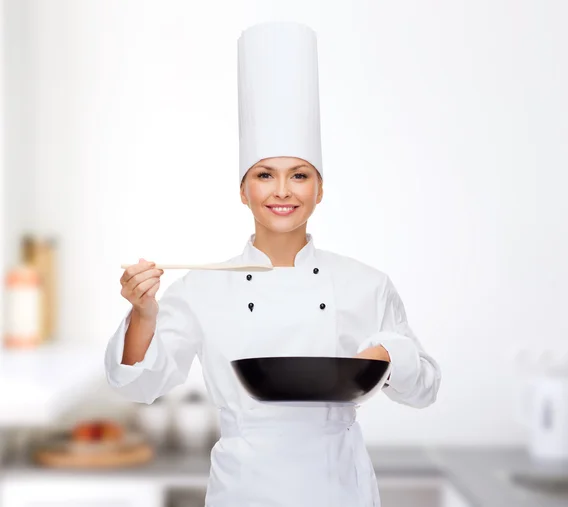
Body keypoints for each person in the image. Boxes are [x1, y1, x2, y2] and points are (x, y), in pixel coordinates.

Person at [104, 21, 441, 507]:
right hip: (245, 489)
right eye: (265, 175)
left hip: (339, 487)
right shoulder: (201, 287)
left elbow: (425, 389)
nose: (282, 191)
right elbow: (137, 384)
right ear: (244, 190)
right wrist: (143, 313)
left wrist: (388, 354)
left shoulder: (366, 284)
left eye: (299, 175)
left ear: (319, 189)